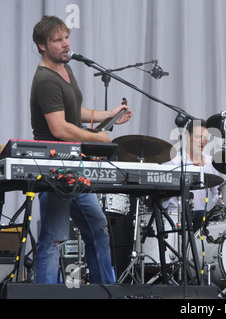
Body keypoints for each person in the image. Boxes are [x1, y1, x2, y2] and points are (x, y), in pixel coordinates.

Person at [30, 15, 132, 284]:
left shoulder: (66, 69)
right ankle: (47, 295)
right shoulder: (46, 80)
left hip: (74, 166)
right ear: (42, 45)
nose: (66, 44)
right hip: (55, 168)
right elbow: (60, 128)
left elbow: (73, 111)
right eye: (57, 40)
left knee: (97, 229)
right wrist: (96, 138)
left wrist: (107, 115)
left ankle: (105, 290)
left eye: (66, 37)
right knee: (54, 239)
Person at [163, 119, 221, 232]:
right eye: (198, 137)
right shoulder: (174, 162)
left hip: (203, 220)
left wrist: (220, 202)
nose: (202, 141)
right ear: (186, 136)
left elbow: (216, 193)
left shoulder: (210, 163)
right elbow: (162, 197)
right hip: (176, 218)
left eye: (205, 137)